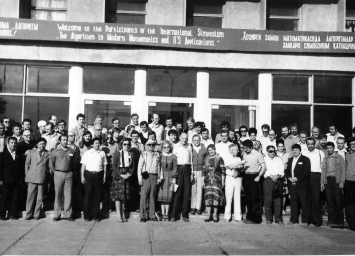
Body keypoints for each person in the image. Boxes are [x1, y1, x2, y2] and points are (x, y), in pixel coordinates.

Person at [49, 135, 77, 221]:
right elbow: (51, 163)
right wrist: (56, 173)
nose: (65, 141)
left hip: (69, 174)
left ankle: (67, 214)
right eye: (63, 140)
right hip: (58, 174)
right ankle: (57, 215)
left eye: (66, 140)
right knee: (58, 194)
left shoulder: (71, 151)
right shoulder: (55, 151)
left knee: (68, 194)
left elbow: (74, 163)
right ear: (60, 141)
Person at [81, 137, 107, 222]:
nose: (97, 144)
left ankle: (96, 215)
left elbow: (105, 165)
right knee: (88, 195)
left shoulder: (102, 153)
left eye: (98, 143)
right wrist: (82, 176)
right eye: (95, 143)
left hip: (98, 175)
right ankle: (87, 216)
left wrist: (104, 176)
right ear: (92, 144)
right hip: (89, 175)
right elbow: (83, 165)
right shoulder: (87, 153)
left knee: (97, 196)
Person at [285, 144, 311, 226]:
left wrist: (297, 178)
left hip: (302, 184)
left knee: (304, 203)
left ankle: (305, 221)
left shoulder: (305, 159)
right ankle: (293, 219)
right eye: (293, 150)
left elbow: (306, 172)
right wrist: (289, 177)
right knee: (293, 202)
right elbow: (287, 170)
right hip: (292, 184)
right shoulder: (290, 160)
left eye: (296, 150)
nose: (295, 151)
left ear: (300, 150)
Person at [321, 142, 345, 228]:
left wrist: (342, 181)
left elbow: (343, 170)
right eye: (327, 148)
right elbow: (323, 171)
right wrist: (322, 183)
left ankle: (340, 221)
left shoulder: (339, 157)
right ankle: (331, 220)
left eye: (330, 148)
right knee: (330, 201)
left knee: (338, 201)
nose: (329, 149)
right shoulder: (325, 158)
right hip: (328, 181)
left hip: (337, 181)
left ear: (333, 148)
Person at [24, 138, 49, 220]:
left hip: (42, 177)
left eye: (44, 144)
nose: (42, 145)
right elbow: (27, 164)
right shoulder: (31, 152)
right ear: (37, 144)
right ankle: (28, 214)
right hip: (32, 177)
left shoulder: (47, 153)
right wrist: (27, 175)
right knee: (30, 197)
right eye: (40, 144)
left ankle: (36, 214)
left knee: (40, 197)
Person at [110, 137, 134, 222]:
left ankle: (123, 213)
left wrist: (130, 174)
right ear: (121, 145)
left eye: (128, 144)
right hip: (119, 175)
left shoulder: (131, 153)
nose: (126, 146)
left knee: (124, 196)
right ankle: (118, 215)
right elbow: (114, 166)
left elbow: (133, 165)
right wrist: (121, 175)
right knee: (118, 196)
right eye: (125, 144)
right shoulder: (117, 153)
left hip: (127, 174)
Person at [242, 139, 266, 224]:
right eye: (244, 148)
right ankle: (249, 217)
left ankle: (256, 219)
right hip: (246, 176)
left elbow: (263, 166)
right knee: (248, 198)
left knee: (255, 199)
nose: (245, 149)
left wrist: (259, 176)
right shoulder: (244, 154)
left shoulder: (258, 154)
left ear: (251, 147)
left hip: (255, 176)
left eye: (246, 148)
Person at [303, 137, 325, 227]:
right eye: (309, 144)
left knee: (316, 199)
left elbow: (323, 167)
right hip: (306, 176)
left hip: (316, 176)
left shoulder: (320, 153)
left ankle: (317, 221)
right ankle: (308, 220)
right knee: (307, 199)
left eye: (312, 144)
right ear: (306, 144)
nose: (311, 146)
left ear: (315, 143)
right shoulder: (304, 153)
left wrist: (322, 181)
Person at [138, 139, 161, 222]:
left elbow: (159, 167)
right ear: (146, 146)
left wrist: (159, 177)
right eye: (149, 145)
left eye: (153, 145)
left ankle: (152, 215)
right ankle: (143, 215)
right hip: (146, 177)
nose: (151, 146)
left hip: (154, 176)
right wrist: (139, 179)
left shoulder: (157, 154)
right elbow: (139, 167)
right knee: (144, 196)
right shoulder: (143, 155)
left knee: (152, 196)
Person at [171, 133, 192, 222]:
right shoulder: (176, 147)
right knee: (177, 192)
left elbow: (191, 161)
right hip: (179, 169)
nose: (184, 140)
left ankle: (184, 214)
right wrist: (174, 175)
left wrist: (192, 173)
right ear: (180, 138)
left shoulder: (189, 147)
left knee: (186, 193)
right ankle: (174, 215)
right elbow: (174, 161)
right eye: (183, 138)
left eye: (186, 138)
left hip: (187, 169)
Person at [201, 144, 226, 222]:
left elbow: (223, 171)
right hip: (208, 180)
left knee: (216, 198)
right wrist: (202, 181)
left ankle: (215, 215)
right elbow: (203, 172)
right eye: (209, 150)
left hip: (216, 180)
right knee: (208, 197)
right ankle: (208, 215)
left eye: (212, 149)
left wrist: (223, 181)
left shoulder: (219, 158)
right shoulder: (206, 159)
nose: (211, 151)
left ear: (215, 150)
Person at [223, 144, 246, 223]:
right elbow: (230, 166)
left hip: (238, 178)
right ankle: (227, 216)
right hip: (230, 178)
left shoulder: (238, 158)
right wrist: (241, 162)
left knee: (237, 197)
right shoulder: (227, 157)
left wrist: (241, 168)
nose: (238, 151)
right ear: (231, 150)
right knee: (228, 197)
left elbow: (240, 168)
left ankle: (238, 217)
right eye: (236, 149)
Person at [0, 137, 22, 220]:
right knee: (4, 197)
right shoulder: (2, 154)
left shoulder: (18, 154)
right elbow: (0, 168)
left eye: (15, 143)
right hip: (5, 180)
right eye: (12, 143)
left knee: (14, 197)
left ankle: (11, 214)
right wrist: (1, 179)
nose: (13, 144)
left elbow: (20, 168)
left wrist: (20, 179)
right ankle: (2, 214)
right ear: (8, 144)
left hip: (16, 180)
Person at [263, 145, 285, 225]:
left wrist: (278, 176)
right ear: (267, 152)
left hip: (278, 180)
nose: (272, 153)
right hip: (268, 180)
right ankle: (268, 219)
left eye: (274, 151)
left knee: (278, 200)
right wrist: (271, 176)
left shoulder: (278, 159)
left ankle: (278, 219)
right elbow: (264, 170)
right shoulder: (264, 160)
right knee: (268, 200)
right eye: (270, 151)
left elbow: (282, 170)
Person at [157, 140, 177, 221]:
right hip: (162, 177)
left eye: (168, 147)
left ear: (170, 147)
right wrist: (159, 176)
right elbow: (158, 166)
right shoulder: (160, 156)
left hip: (170, 176)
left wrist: (174, 178)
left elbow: (175, 167)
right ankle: (162, 213)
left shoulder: (173, 156)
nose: (166, 148)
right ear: (162, 148)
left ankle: (166, 214)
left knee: (169, 196)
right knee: (162, 197)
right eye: (164, 147)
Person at [100, 132, 119, 214]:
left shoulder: (115, 145)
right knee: (105, 188)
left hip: (113, 167)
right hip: (105, 167)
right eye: (107, 137)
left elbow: (118, 156)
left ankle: (112, 206)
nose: (109, 139)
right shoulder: (102, 146)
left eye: (110, 137)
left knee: (112, 187)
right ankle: (106, 206)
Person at [190, 134, 207, 215]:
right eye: (195, 140)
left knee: (200, 189)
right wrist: (191, 172)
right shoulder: (190, 148)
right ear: (192, 141)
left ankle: (198, 207)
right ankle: (192, 207)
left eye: (198, 140)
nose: (196, 142)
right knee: (193, 189)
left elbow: (206, 161)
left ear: (200, 140)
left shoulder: (203, 149)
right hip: (193, 171)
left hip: (201, 171)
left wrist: (204, 172)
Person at [276, 139, 290, 215]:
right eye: (279, 146)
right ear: (277, 147)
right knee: (276, 191)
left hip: (285, 175)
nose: (281, 148)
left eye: (282, 146)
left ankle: (282, 209)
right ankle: (276, 209)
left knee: (284, 193)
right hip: (277, 174)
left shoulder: (287, 155)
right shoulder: (274, 154)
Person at [345, 137, 355, 232]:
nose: (353, 145)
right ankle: (351, 224)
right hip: (349, 181)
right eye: (351, 144)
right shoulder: (347, 155)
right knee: (349, 204)